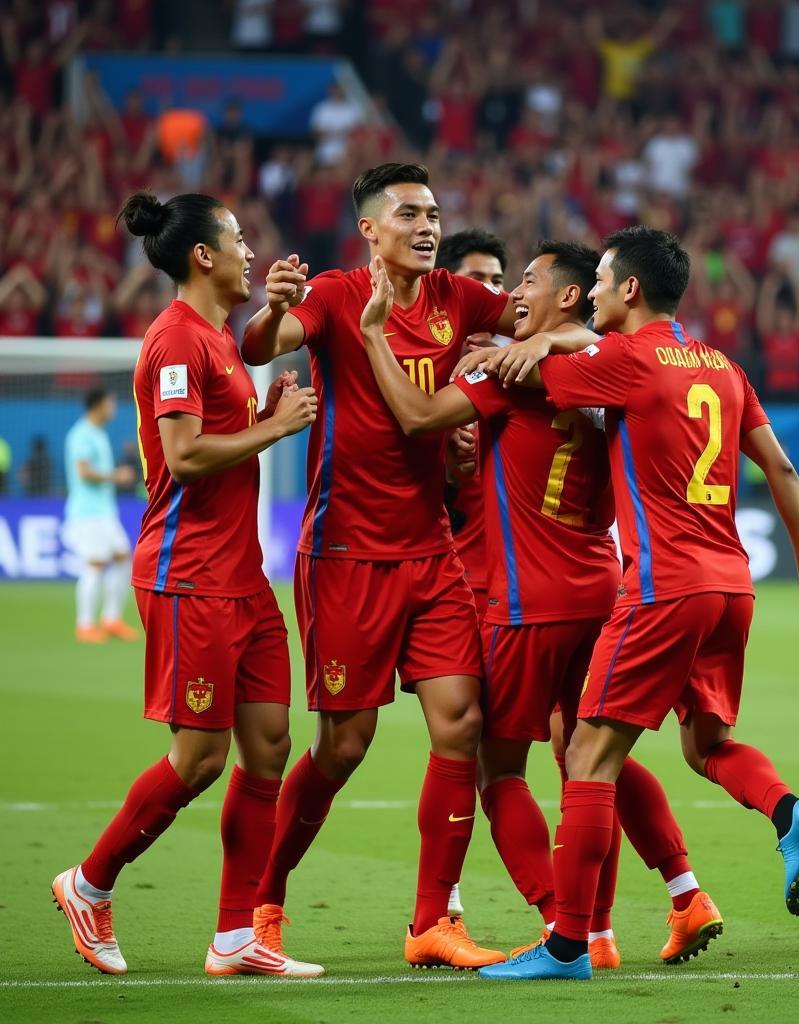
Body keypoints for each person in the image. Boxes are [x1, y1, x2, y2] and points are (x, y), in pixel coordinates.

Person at [471, 226, 799, 982]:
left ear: (630, 289)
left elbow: (525, 373)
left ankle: (570, 945)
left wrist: (534, 347)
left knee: (586, 756)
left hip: (660, 587)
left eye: (602, 280)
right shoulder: (724, 367)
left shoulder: (625, 361)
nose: (596, 292)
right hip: (733, 585)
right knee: (706, 748)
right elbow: (780, 462)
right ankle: (785, 810)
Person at [361, 242, 725, 967]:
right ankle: (665, 901)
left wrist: (375, 333)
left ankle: (568, 927)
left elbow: (414, 415)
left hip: (529, 601)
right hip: (603, 589)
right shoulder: (603, 371)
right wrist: (537, 340)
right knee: (593, 756)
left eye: (521, 281)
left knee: (499, 770)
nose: (507, 292)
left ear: (566, 297)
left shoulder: (516, 374)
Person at [242, 163, 554, 970]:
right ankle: (263, 901)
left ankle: (429, 924)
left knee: (462, 723)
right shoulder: (341, 295)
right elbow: (258, 345)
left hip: (431, 551)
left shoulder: (462, 299)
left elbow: (549, 314)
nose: (427, 224)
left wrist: (535, 337)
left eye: (434, 212)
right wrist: (273, 305)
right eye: (409, 213)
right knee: (345, 746)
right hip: (346, 552)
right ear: (370, 232)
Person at [51, 190, 321, 978]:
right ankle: (89, 882)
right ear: (203, 255)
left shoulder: (221, 340)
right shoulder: (176, 341)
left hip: (242, 577)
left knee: (268, 749)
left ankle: (235, 936)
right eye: (237, 239)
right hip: (188, 574)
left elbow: (219, 438)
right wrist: (274, 427)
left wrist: (261, 410)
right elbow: (187, 457)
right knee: (199, 759)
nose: (248, 250)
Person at [435, 228, 510, 627]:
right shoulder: (419, 377)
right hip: (451, 583)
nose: (490, 292)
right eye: (477, 280)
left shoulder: (522, 371)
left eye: (498, 282)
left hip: (519, 585)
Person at [63, 388, 138, 643]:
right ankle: (84, 625)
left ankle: (111, 619)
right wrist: (116, 476)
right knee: (95, 563)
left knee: (122, 558)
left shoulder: (98, 434)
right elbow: (83, 472)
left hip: (105, 512)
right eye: (111, 402)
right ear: (98, 405)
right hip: (87, 514)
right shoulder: (81, 434)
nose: (113, 407)